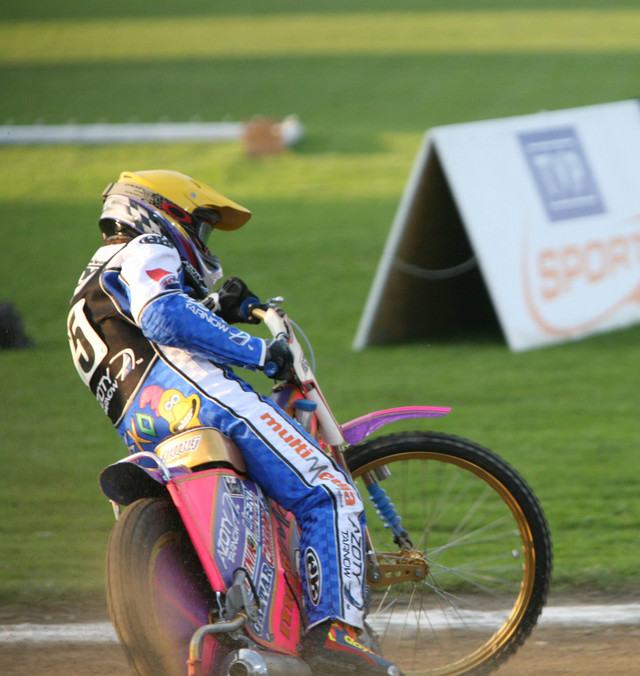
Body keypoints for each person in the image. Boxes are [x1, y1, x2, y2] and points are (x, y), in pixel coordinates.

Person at [67, 170, 401, 676]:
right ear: (162, 214)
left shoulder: (90, 284)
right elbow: (162, 318)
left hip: (147, 426)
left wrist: (213, 307)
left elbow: (147, 331)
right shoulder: (146, 247)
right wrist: (260, 353)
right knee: (327, 489)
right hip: (205, 398)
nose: (203, 244)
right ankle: (335, 633)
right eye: (200, 228)